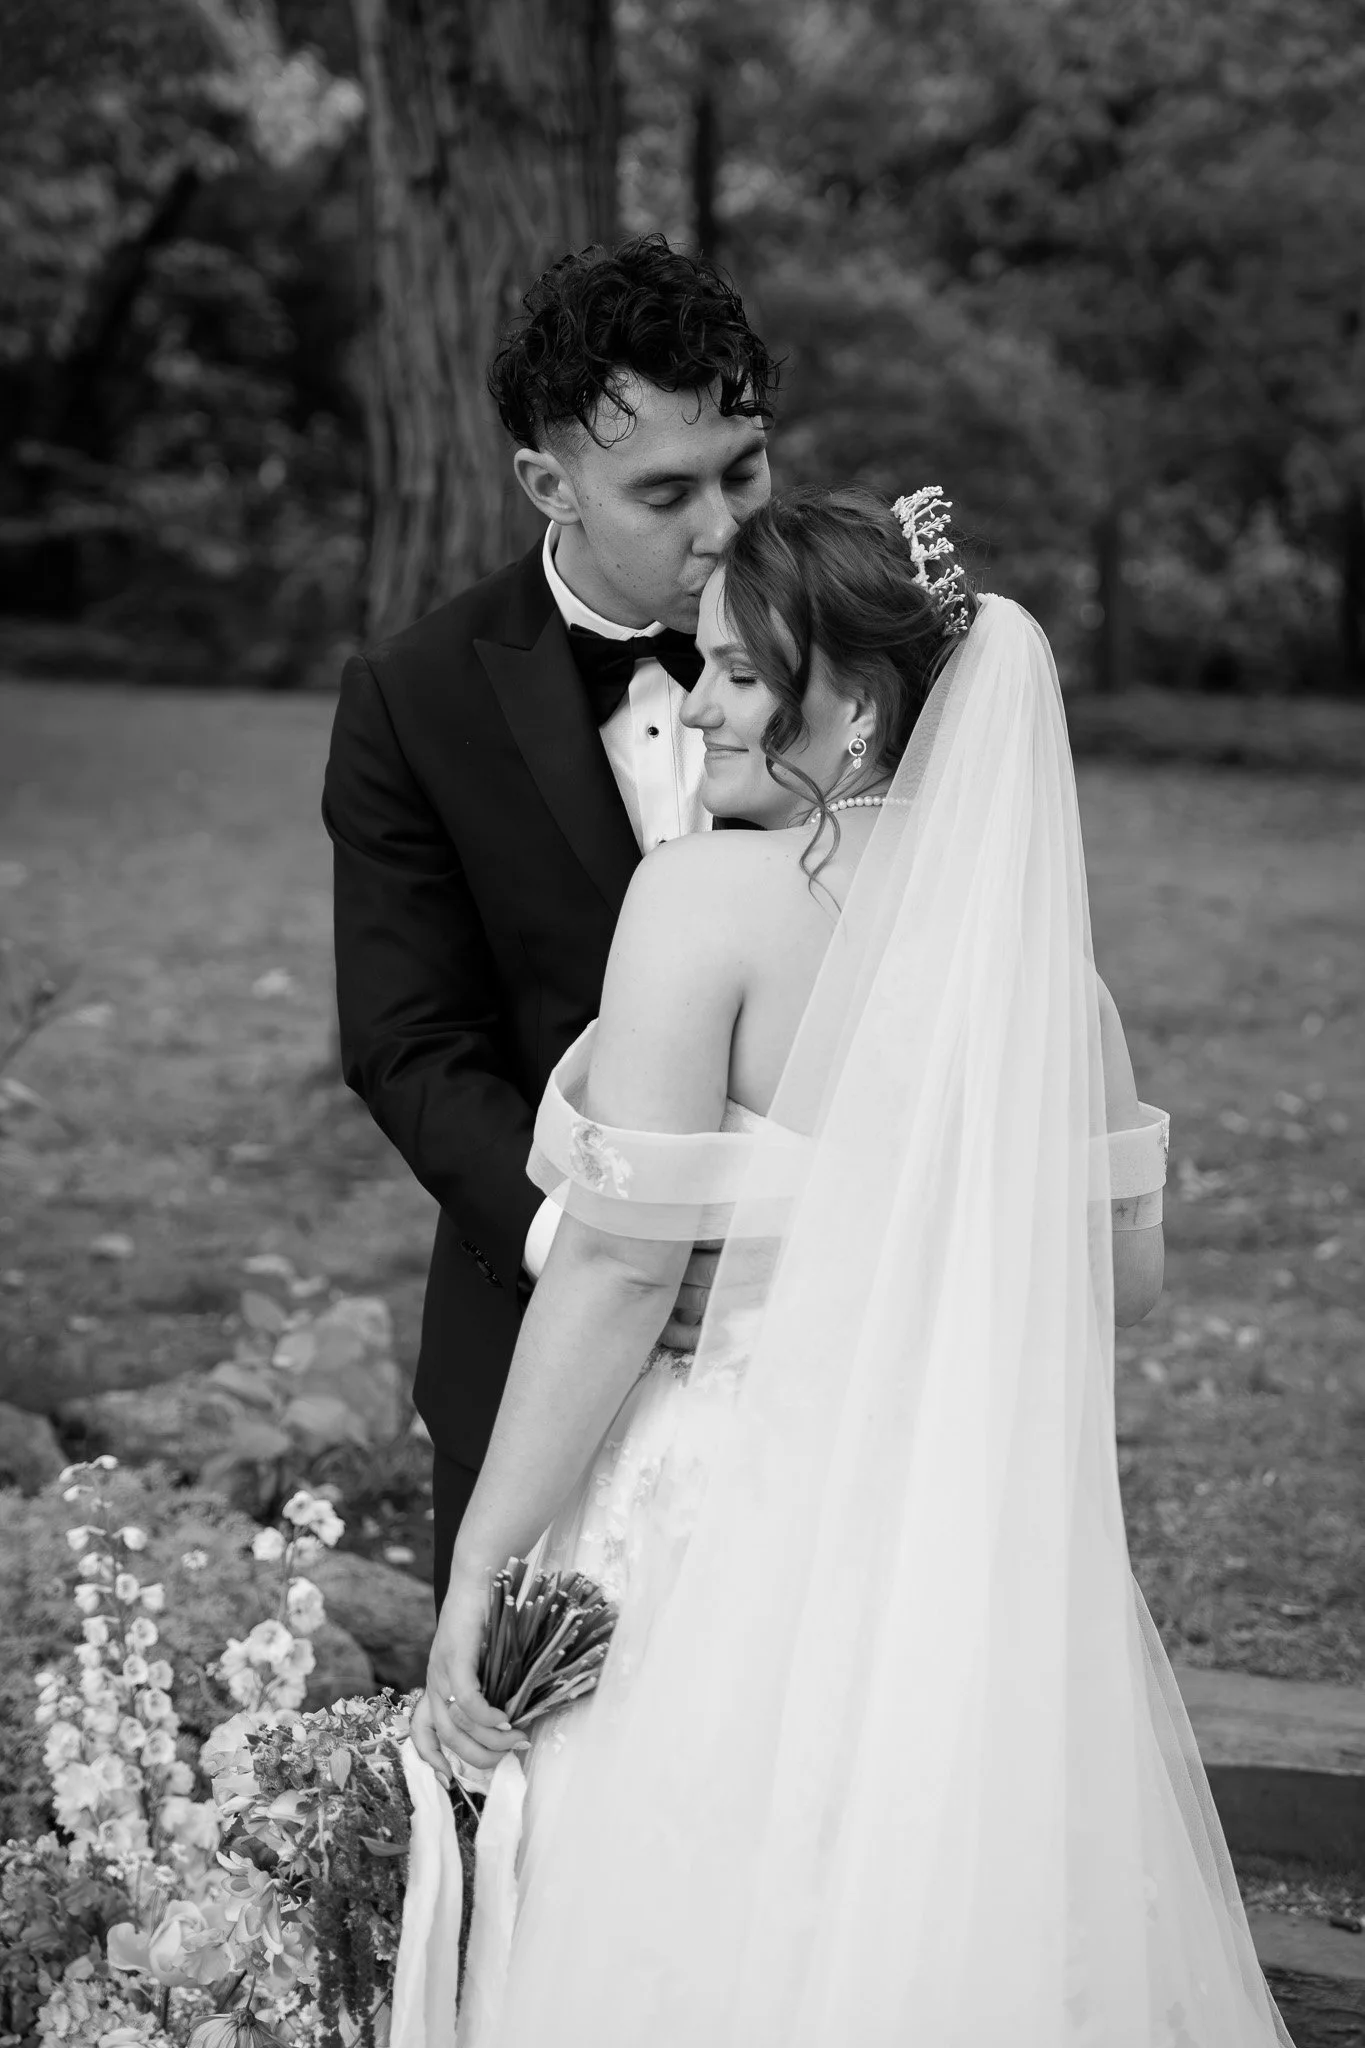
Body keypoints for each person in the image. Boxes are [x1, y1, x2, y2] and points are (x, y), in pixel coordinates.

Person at [403, 487, 1292, 2045]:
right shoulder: (1036, 968)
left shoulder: (700, 902)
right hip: (952, 1537)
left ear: (861, 708)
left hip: (715, 1514)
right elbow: (1118, 1290)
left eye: (744, 673)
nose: (699, 703)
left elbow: (615, 1275)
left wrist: (481, 1562)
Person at [321, 235, 776, 1604]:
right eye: (665, 492)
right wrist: (592, 1246)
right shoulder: (416, 699)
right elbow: (409, 1046)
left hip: (823, 1350)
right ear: (548, 485)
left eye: (746, 470)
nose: (725, 530)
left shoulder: (868, 651)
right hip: (533, 1347)